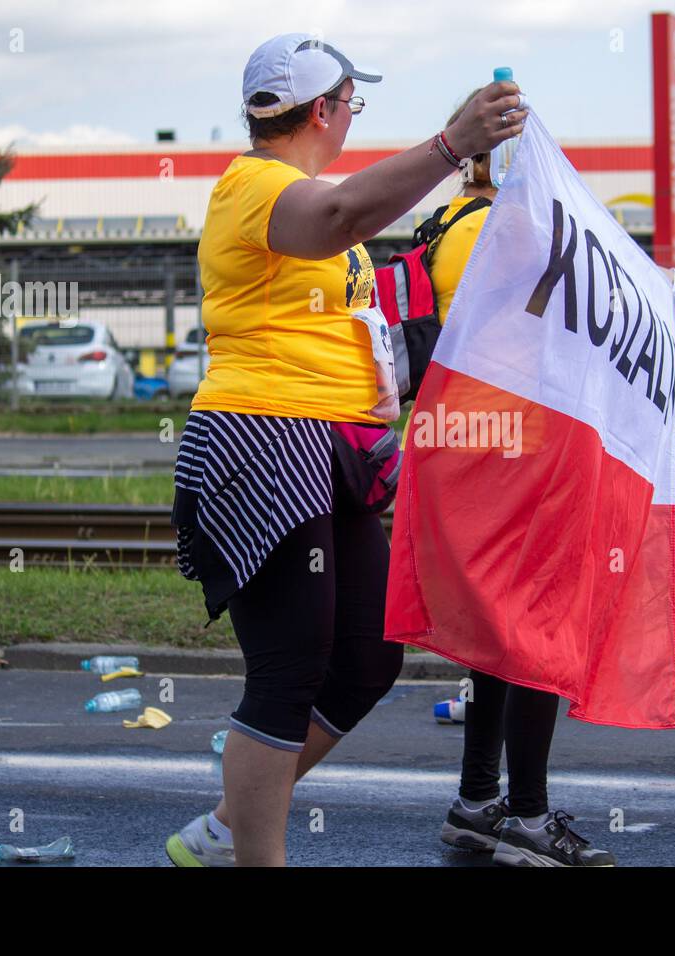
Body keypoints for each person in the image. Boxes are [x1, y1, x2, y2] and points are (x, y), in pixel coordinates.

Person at [164, 33, 527, 867]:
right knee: (290, 672)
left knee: (367, 658)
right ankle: (255, 852)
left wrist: (649, 282)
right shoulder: (256, 188)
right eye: (350, 104)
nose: (352, 118)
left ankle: (229, 823)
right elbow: (335, 219)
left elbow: (389, 271)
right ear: (324, 110)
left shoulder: (313, 201)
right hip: (262, 441)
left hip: (332, 451)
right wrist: (450, 145)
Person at [423, 92, 675, 867]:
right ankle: (525, 817)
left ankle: (476, 802)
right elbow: (581, 284)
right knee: (534, 631)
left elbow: (588, 280)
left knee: (501, 636)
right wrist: (665, 282)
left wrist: (667, 281)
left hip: (483, 455)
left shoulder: (463, 229)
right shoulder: (498, 231)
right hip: (515, 458)